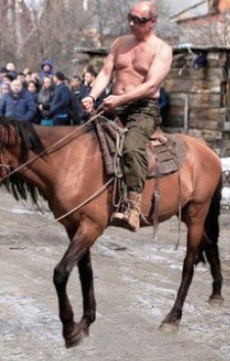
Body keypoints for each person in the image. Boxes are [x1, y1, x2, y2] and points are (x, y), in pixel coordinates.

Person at [82, 0, 172, 231]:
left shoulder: (162, 49)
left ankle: (133, 206)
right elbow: (105, 72)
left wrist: (120, 99)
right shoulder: (120, 42)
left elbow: (151, 86)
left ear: (152, 22)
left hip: (143, 108)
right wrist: (92, 96)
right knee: (82, 139)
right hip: (114, 104)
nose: (132, 23)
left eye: (139, 20)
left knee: (132, 147)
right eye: (130, 18)